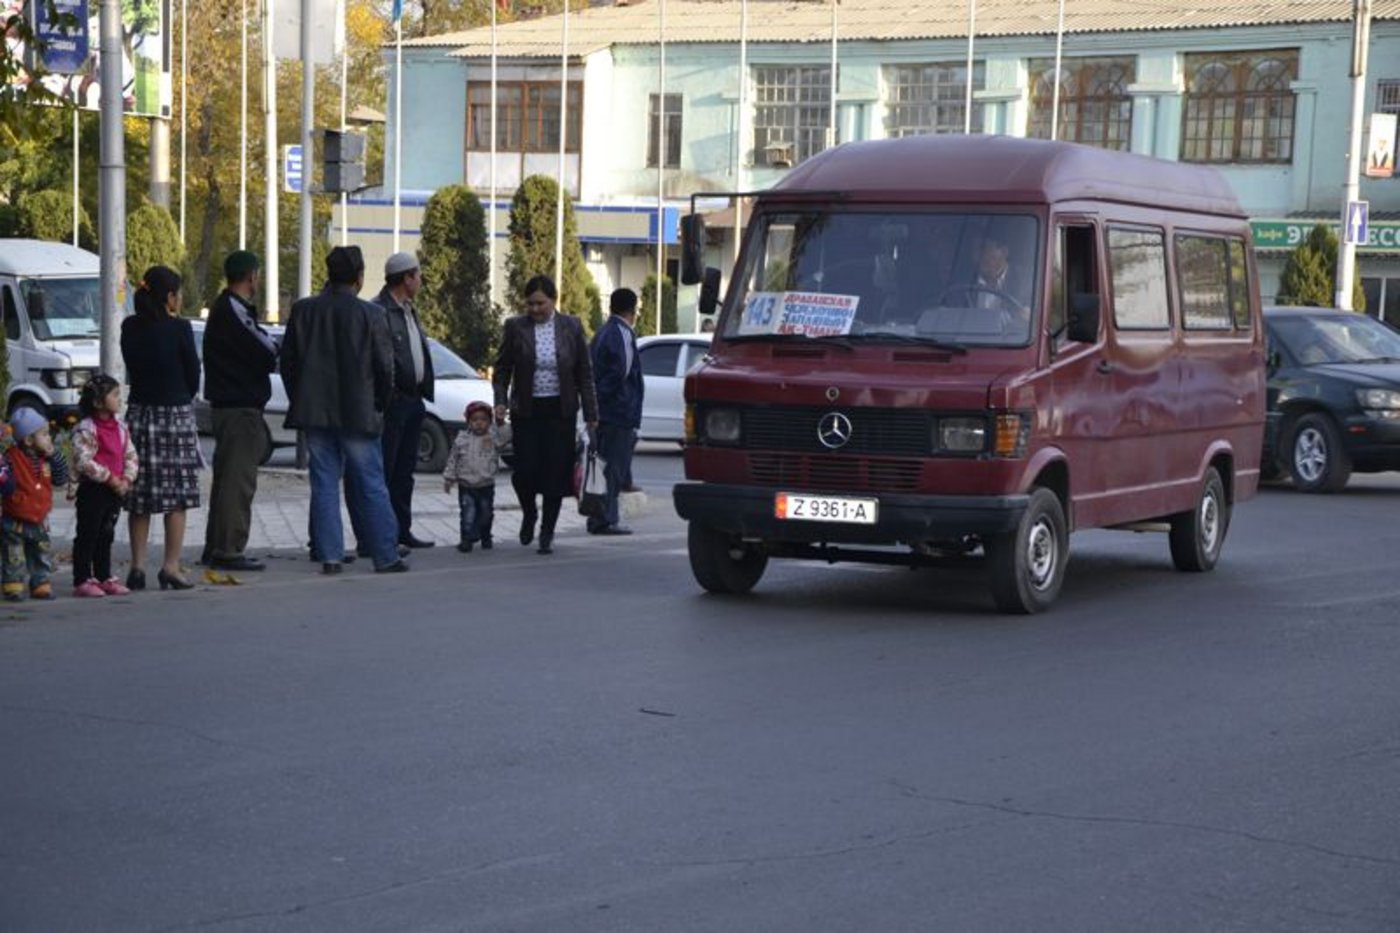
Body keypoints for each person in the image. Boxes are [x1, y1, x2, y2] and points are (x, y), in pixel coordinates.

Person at [281, 245, 405, 575]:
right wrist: (380, 403)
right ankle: (385, 554)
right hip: (359, 410)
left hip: (316, 411)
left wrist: (301, 398)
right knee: (371, 483)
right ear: (360, 276)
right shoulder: (372, 314)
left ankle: (330, 555)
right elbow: (384, 368)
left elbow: (288, 364)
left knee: (323, 482)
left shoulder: (303, 310)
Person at [492, 275, 599, 555]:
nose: (535, 309)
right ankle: (529, 512)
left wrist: (591, 413)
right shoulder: (516, 327)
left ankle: (547, 532)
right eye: (530, 304)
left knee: (556, 474)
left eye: (540, 303)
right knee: (524, 471)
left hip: (560, 411)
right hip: (527, 411)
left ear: (553, 300)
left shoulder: (571, 327)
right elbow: (502, 369)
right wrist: (500, 401)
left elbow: (584, 374)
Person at [121, 265, 202, 592]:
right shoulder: (180, 328)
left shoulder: (130, 327)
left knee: (139, 495)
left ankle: (138, 567)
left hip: (139, 414)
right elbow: (193, 373)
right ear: (169, 296)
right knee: (177, 497)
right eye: (177, 293)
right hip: (175, 414)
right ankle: (170, 566)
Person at [201, 250, 278, 572]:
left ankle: (216, 546)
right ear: (251, 277)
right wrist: (277, 350)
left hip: (228, 405)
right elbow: (264, 349)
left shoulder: (226, 308)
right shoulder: (233, 311)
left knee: (226, 480)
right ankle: (230, 549)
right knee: (238, 482)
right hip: (239, 408)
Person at [372, 251, 436, 550]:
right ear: (406, 278)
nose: (420, 281)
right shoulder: (380, 310)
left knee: (405, 473)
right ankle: (381, 534)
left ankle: (402, 530)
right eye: (417, 275)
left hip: (414, 400)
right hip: (394, 401)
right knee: (387, 470)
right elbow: (381, 360)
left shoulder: (409, 309)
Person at [70, 374, 139, 598]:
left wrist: (127, 479)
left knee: (106, 534)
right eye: (115, 394)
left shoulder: (120, 427)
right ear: (98, 402)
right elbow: (83, 460)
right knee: (88, 534)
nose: (120, 399)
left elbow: (130, 454)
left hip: (115, 490)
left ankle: (103, 576)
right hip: (94, 490)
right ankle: (82, 578)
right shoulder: (86, 429)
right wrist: (110, 478)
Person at [587, 287, 643, 535]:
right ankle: (607, 519)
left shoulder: (601, 333)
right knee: (613, 469)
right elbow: (622, 370)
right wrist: (605, 398)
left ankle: (597, 516)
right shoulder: (622, 333)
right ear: (633, 310)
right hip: (618, 412)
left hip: (604, 412)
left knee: (603, 466)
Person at [0, 407, 69, 601]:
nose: (49, 439)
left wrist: (55, 455)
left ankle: (41, 583)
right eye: (44, 434)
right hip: (14, 517)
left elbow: (60, 479)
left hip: (39, 517)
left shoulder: (46, 459)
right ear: (29, 440)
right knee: (13, 553)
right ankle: (12, 584)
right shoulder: (10, 458)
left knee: (40, 551)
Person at [442, 401, 511, 553]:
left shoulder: (493, 437)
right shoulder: (462, 439)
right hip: (466, 485)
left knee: (486, 513)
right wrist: (449, 478)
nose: (479, 423)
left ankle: (486, 535)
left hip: (485, 484)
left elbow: (506, 436)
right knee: (468, 513)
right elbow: (453, 459)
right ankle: (466, 539)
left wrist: (500, 421)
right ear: (468, 422)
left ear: (489, 422)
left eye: (483, 420)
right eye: (474, 420)